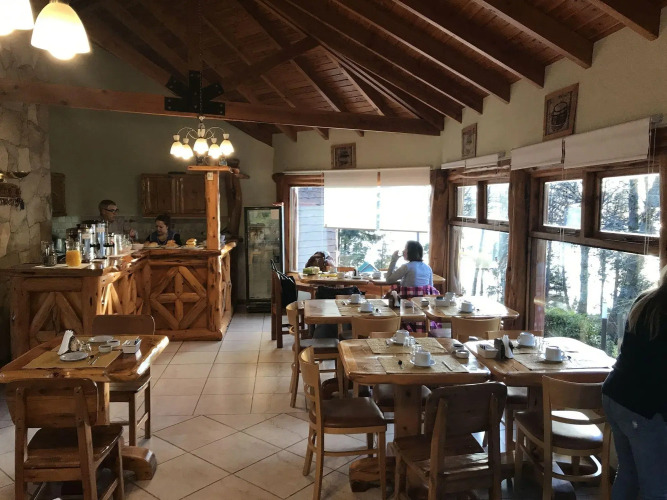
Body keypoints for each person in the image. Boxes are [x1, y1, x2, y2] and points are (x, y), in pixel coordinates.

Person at [602, 266, 667, 499]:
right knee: (657, 489)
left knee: (628, 473)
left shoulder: (647, 299)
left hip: (615, 394)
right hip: (642, 407)